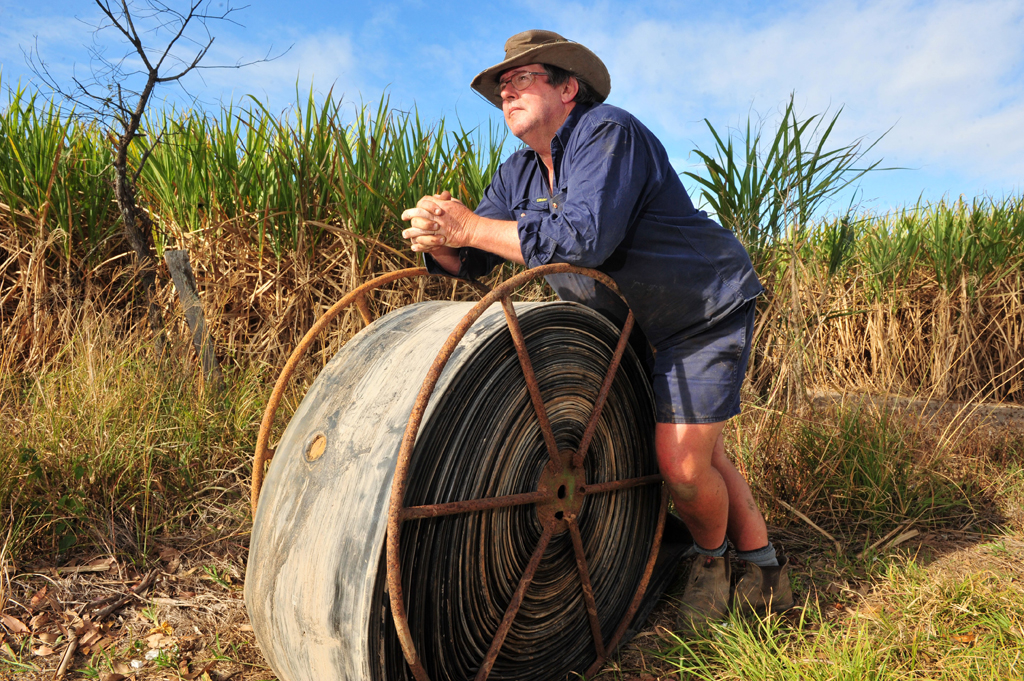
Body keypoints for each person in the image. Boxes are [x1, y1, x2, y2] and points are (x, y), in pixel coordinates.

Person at [400, 29, 793, 628]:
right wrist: (442, 240)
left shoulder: (608, 133)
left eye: (521, 79)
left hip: (698, 310)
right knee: (698, 452)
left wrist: (469, 228)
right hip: (631, 326)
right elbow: (479, 256)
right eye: (501, 87)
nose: (506, 92)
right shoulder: (518, 173)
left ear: (567, 88)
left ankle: (709, 562)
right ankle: (764, 568)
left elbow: (584, 239)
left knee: (684, 467)